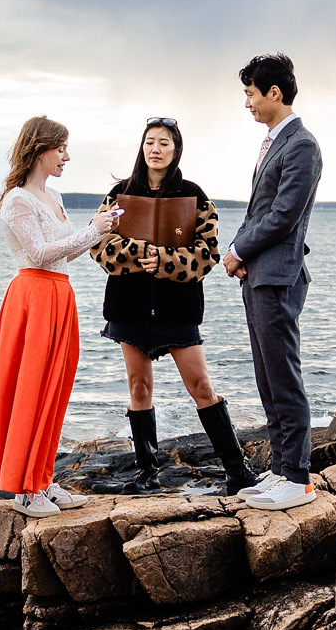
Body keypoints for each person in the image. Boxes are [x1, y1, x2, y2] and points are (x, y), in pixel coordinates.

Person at [90, 118, 258, 495]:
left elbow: (208, 253)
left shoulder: (194, 195)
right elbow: (98, 244)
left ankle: (237, 470)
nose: (156, 149)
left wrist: (164, 261)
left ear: (175, 149)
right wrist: (139, 255)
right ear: (142, 147)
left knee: (200, 385)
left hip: (177, 307)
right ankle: (147, 473)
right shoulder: (120, 193)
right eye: (150, 141)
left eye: (164, 143)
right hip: (129, 305)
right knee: (139, 386)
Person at [0, 117, 121, 517]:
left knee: (54, 388)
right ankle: (22, 489)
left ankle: (41, 479)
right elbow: (38, 252)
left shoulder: (53, 196)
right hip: (33, 295)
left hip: (59, 293)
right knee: (31, 388)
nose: (66, 157)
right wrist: (93, 228)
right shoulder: (18, 199)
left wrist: (100, 232)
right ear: (39, 149)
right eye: (61, 149)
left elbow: (66, 251)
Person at [224, 54, 324, 511]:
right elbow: (257, 212)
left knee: (283, 375)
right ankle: (281, 469)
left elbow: (283, 216)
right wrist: (241, 253)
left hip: (279, 276)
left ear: (274, 93)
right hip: (260, 274)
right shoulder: (273, 143)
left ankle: (298, 478)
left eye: (250, 93)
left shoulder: (301, 145)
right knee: (267, 376)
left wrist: (239, 251)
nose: (247, 102)